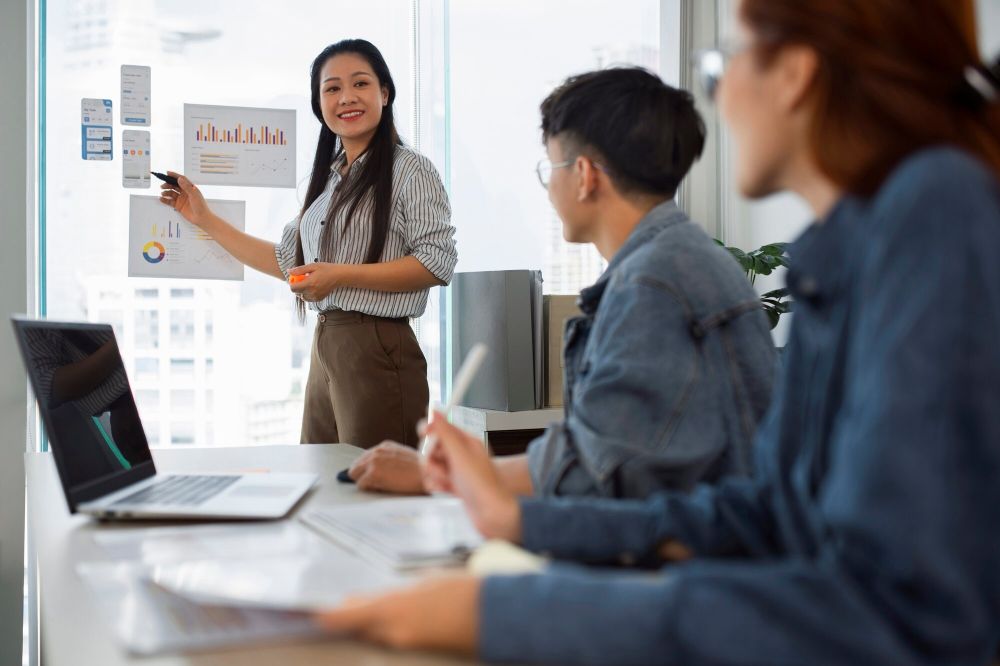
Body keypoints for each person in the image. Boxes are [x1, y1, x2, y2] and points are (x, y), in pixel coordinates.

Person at [315, 1, 1000, 663]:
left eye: (722, 60)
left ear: (793, 72)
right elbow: (764, 515)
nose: (719, 93)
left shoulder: (931, 217)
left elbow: (901, 618)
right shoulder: (855, 245)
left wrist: (499, 613)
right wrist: (523, 520)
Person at [347, 68, 777, 499]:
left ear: (585, 175)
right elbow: (605, 450)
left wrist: (439, 477)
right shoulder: (677, 261)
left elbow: (598, 475)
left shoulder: (652, 285)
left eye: (551, 167)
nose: (549, 186)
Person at [160, 39, 457, 448]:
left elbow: (436, 262)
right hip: (327, 344)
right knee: (322, 481)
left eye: (360, 84)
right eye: (332, 89)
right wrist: (205, 219)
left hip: (377, 345)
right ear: (319, 105)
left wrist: (338, 277)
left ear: (384, 93)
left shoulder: (411, 170)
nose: (347, 97)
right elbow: (286, 261)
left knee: (371, 495)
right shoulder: (331, 181)